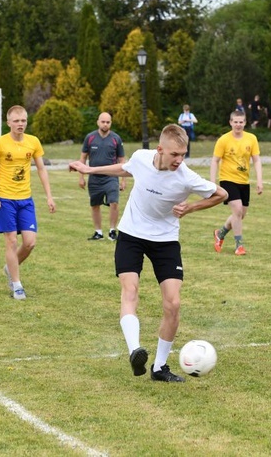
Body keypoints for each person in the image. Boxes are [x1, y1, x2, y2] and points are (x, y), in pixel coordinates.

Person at [68, 125, 227, 383]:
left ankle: (159, 367)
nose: (179, 160)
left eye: (183, 154)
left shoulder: (186, 177)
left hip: (165, 240)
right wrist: (90, 169)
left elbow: (221, 194)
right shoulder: (142, 158)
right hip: (131, 235)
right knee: (130, 291)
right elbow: (126, 168)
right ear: (160, 149)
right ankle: (135, 351)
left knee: (173, 303)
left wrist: (191, 208)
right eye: (175, 154)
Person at [0, 105, 56, 300]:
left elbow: (41, 169)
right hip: (4, 199)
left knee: (30, 242)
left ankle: (10, 267)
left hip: (26, 199)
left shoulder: (33, 142)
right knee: (11, 241)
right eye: (16, 121)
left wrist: (49, 196)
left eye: (23, 120)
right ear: (9, 123)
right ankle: (17, 285)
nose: (20, 124)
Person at [211, 110, 263, 256]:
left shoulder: (251, 138)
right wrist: (212, 182)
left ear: (245, 123)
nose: (238, 125)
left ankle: (220, 233)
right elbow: (215, 161)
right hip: (227, 179)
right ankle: (239, 245)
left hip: (244, 181)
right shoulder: (223, 140)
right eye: (235, 122)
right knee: (238, 210)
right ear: (230, 122)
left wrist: (259, 180)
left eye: (241, 122)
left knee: (240, 214)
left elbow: (257, 160)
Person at [79, 111, 126, 241]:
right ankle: (98, 232)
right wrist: (81, 177)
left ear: (110, 123)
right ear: (98, 122)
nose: (105, 124)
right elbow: (83, 158)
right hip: (94, 177)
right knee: (95, 205)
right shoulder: (90, 138)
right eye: (103, 122)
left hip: (111, 177)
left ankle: (112, 231)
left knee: (114, 202)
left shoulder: (116, 138)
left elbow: (122, 160)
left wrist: (123, 180)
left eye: (108, 122)